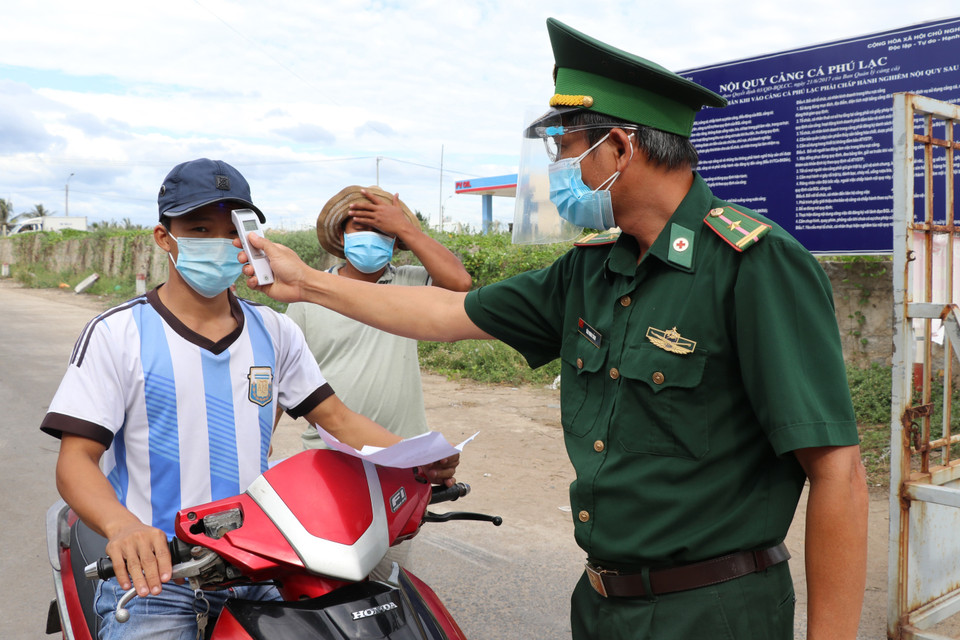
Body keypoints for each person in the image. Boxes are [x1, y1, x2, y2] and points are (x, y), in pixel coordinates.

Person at [237, 18, 868, 640]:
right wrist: (306, 283)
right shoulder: (592, 269)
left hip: (714, 610)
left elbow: (837, 468)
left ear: (620, 148)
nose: (558, 172)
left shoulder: (753, 265)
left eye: (567, 150)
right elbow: (450, 314)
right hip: (601, 602)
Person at [39, 158, 458, 640]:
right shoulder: (117, 333)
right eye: (199, 228)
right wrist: (122, 527)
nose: (220, 244)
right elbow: (75, 460)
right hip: (160, 574)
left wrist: (416, 459)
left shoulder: (274, 329)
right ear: (164, 237)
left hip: (260, 562)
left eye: (231, 230)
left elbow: (337, 418)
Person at [285, 185, 471, 581]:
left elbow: (459, 285)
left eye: (383, 232)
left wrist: (409, 229)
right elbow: (285, 378)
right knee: (330, 580)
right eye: (361, 227)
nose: (372, 239)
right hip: (331, 463)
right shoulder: (307, 296)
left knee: (387, 582)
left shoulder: (410, 283)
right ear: (341, 235)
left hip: (402, 460)